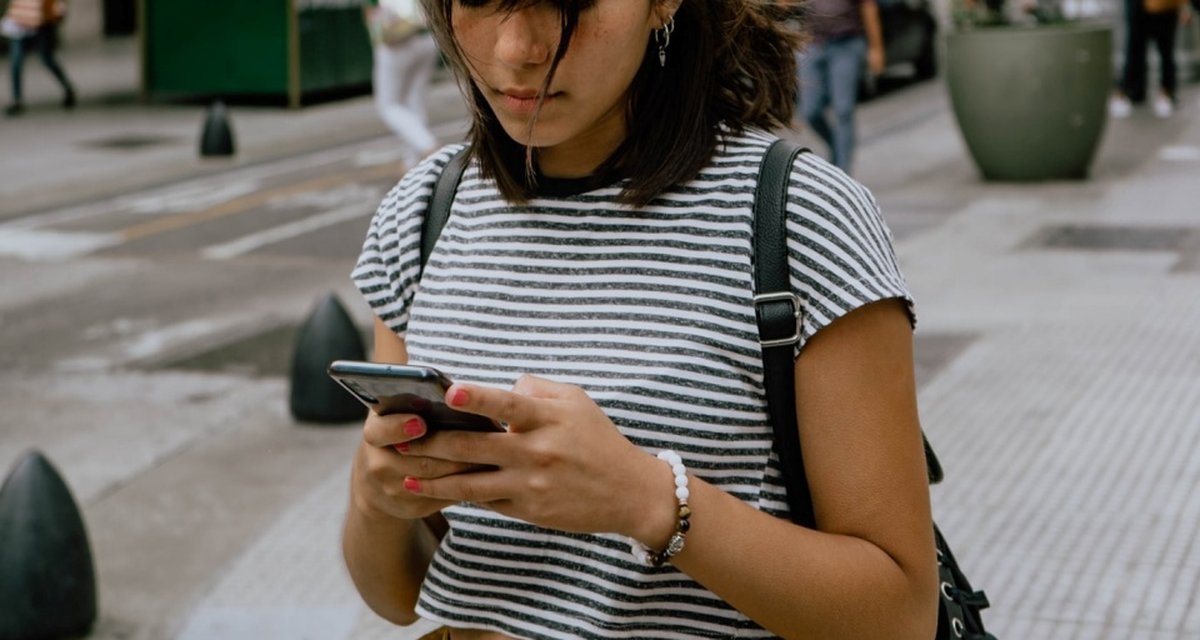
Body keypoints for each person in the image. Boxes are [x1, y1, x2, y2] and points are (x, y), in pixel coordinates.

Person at [342, 0, 937, 638]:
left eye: (570, 5)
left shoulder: (799, 217)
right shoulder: (421, 214)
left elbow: (899, 614)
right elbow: (400, 598)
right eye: (481, 0)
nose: (518, 49)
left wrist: (648, 500)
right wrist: (376, 502)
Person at [794, 0, 885, 173]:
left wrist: (876, 48)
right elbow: (784, 5)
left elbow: (868, 6)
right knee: (809, 111)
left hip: (847, 43)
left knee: (843, 110)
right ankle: (836, 147)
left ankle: (843, 171)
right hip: (812, 43)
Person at [363, 0, 440, 169]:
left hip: (396, 44)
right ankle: (414, 164)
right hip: (427, 38)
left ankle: (428, 146)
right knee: (415, 102)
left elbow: (375, 20)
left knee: (388, 106)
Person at [1110, 0, 1189, 119]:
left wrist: (1184, 7)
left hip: (1164, 7)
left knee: (1164, 49)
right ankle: (1135, 92)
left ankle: (1166, 92)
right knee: (1137, 48)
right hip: (1142, 7)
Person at [2, 0, 76, 117]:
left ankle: (67, 88)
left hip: (41, 20)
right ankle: (16, 100)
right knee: (16, 61)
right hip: (20, 18)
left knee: (47, 59)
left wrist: (59, 8)